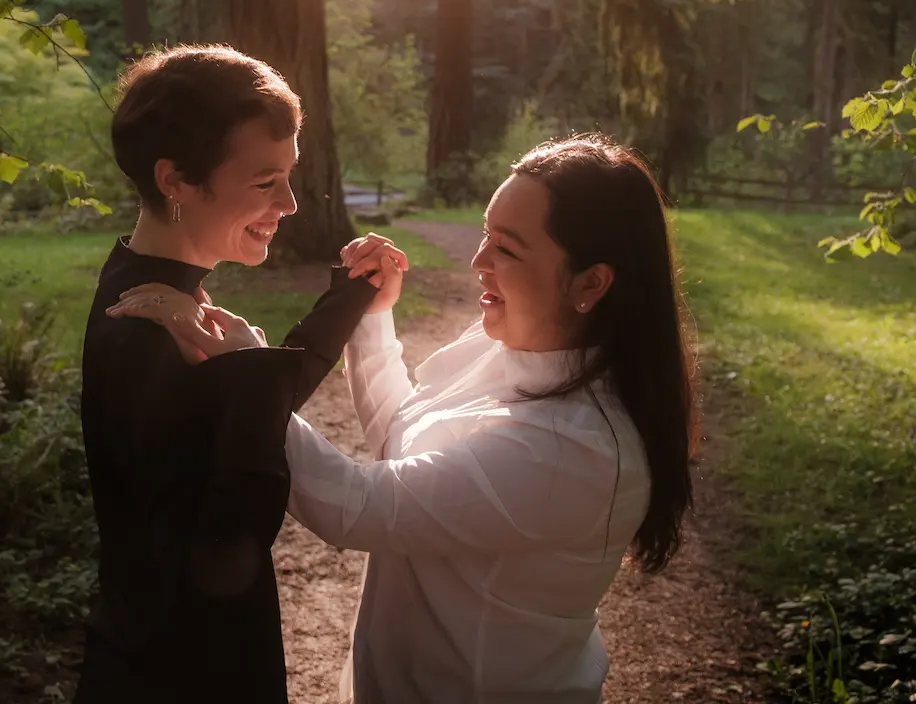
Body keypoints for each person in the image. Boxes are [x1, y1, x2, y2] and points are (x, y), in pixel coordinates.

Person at [123, 134, 698, 703]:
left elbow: (362, 506)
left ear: (591, 282)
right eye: (484, 235)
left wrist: (247, 375)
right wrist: (373, 317)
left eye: (508, 248)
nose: (478, 263)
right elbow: (406, 440)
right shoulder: (503, 343)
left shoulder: (577, 449)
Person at [71, 45, 397, 704]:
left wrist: (351, 296)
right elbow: (232, 533)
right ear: (177, 181)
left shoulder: (152, 287)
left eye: (290, 175)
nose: (292, 204)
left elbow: (249, 403)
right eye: (263, 182)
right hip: (181, 671)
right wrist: (247, 373)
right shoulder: (149, 331)